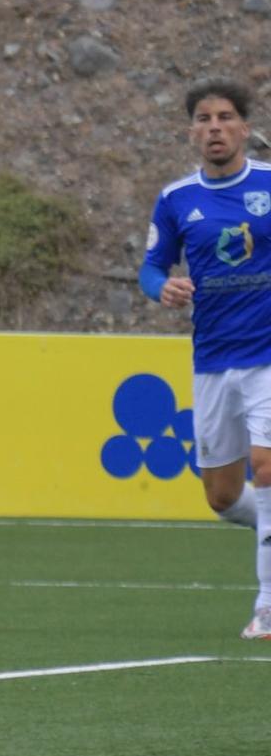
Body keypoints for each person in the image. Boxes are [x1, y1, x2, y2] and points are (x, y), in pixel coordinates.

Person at [140, 78, 271, 639]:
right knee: (221, 497)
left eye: (224, 117)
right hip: (214, 361)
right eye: (203, 119)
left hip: (267, 354)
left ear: (244, 127)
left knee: (266, 468)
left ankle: (267, 605)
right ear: (192, 131)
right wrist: (160, 290)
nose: (213, 127)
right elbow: (150, 268)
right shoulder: (176, 199)